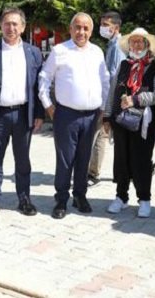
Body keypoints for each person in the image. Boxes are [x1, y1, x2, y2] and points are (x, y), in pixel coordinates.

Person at [0, 7, 45, 220]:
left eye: (15, 24)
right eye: (7, 23)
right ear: (1, 26)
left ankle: (24, 199)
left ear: (23, 27)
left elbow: (37, 86)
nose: (11, 27)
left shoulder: (33, 52)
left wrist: (39, 113)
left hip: (23, 114)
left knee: (23, 160)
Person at [38, 12, 110, 220]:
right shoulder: (60, 51)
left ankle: (80, 196)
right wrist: (48, 106)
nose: (81, 32)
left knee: (84, 158)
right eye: (77, 27)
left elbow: (105, 81)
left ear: (91, 31)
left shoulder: (97, 52)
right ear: (70, 29)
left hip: (92, 116)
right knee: (65, 159)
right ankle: (61, 199)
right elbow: (44, 78)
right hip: (66, 115)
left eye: (86, 28)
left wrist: (104, 108)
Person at [103, 27, 155, 218]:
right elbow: (113, 91)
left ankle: (144, 199)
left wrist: (136, 100)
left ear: (147, 45)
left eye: (140, 41)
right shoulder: (124, 65)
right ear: (129, 45)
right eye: (133, 41)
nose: (136, 45)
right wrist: (107, 116)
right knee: (121, 159)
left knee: (142, 160)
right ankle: (121, 196)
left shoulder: (154, 68)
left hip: (143, 122)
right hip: (121, 121)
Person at [89, 11, 123, 186]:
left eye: (105, 25)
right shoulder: (112, 45)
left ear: (115, 27)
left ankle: (93, 173)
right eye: (101, 24)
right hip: (111, 99)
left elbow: (114, 77)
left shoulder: (117, 47)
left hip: (112, 99)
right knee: (105, 135)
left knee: (100, 134)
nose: (102, 28)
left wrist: (107, 105)